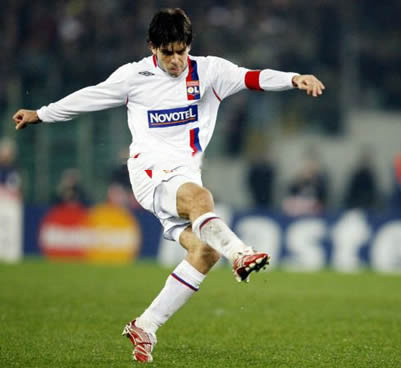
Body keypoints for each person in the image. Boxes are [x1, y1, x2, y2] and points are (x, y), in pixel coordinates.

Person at [12, 8, 325, 363]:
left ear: (189, 45)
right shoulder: (134, 77)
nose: (175, 60)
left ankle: (146, 325)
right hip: (149, 172)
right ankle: (240, 253)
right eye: (167, 53)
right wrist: (42, 113)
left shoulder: (211, 72)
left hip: (185, 175)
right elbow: (89, 97)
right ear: (152, 48)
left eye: (181, 50)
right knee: (202, 199)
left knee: (205, 252)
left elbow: (254, 77)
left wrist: (294, 78)